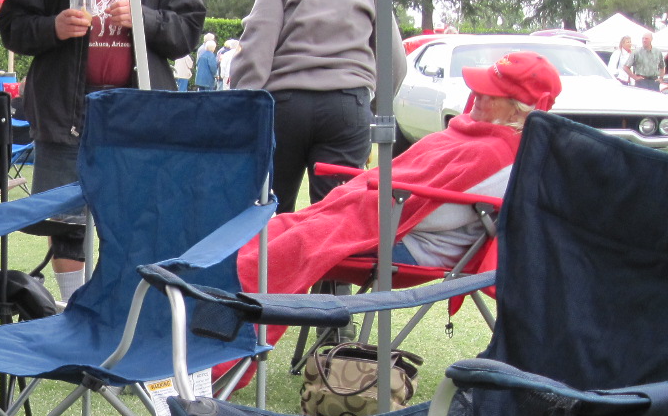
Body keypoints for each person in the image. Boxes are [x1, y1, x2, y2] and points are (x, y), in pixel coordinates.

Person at [0, 0, 206, 301]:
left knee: (134, 222)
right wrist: (53, 27)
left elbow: (189, 30)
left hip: (139, 119)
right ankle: (78, 310)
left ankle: (120, 313)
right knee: (66, 224)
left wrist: (146, 20)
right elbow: (11, 25)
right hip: (64, 116)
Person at [238, 50, 562, 310]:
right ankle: (204, 307)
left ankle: (218, 328)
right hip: (379, 219)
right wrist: (355, 194)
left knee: (283, 245)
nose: (476, 93)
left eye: (491, 92)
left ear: (520, 109)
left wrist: (361, 200)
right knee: (271, 232)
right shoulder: (473, 135)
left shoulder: (502, 157)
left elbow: (433, 215)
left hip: (403, 242)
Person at [232, 0, 408, 214]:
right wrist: (371, 108)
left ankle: (272, 263)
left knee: (268, 210)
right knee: (333, 218)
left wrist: (245, 109)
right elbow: (394, 59)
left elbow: (256, 49)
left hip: (285, 107)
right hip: (347, 106)